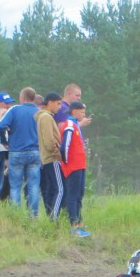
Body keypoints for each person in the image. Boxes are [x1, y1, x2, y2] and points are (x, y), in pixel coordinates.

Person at [0, 88, 42, 216]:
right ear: (33, 98)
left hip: (16, 152)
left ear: (22, 98)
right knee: (33, 186)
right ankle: (33, 216)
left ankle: (15, 216)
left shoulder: (15, 110)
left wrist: (4, 140)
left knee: (15, 186)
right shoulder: (39, 113)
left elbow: (1, 126)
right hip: (34, 152)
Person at [60, 101, 90, 237]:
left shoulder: (76, 125)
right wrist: (66, 162)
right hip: (73, 166)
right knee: (72, 195)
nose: (84, 115)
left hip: (80, 165)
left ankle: (79, 222)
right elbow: (64, 145)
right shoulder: (70, 125)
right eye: (82, 112)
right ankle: (73, 225)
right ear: (74, 111)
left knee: (79, 194)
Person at [37, 92, 64, 220]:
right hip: (52, 159)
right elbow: (49, 140)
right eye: (58, 104)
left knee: (51, 190)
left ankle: (50, 216)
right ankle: (54, 219)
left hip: (46, 159)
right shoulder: (46, 118)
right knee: (60, 190)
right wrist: (58, 154)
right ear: (50, 103)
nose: (60, 107)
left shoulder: (43, 117)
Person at [0, 92, 15, 200]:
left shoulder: (10, 116)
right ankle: (1, 201)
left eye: (9, 103)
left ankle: (6, 202)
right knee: (3, 180)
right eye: (6, 103)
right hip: (1, 151)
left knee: (9, 181)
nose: (8, 106)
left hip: (9, 151)